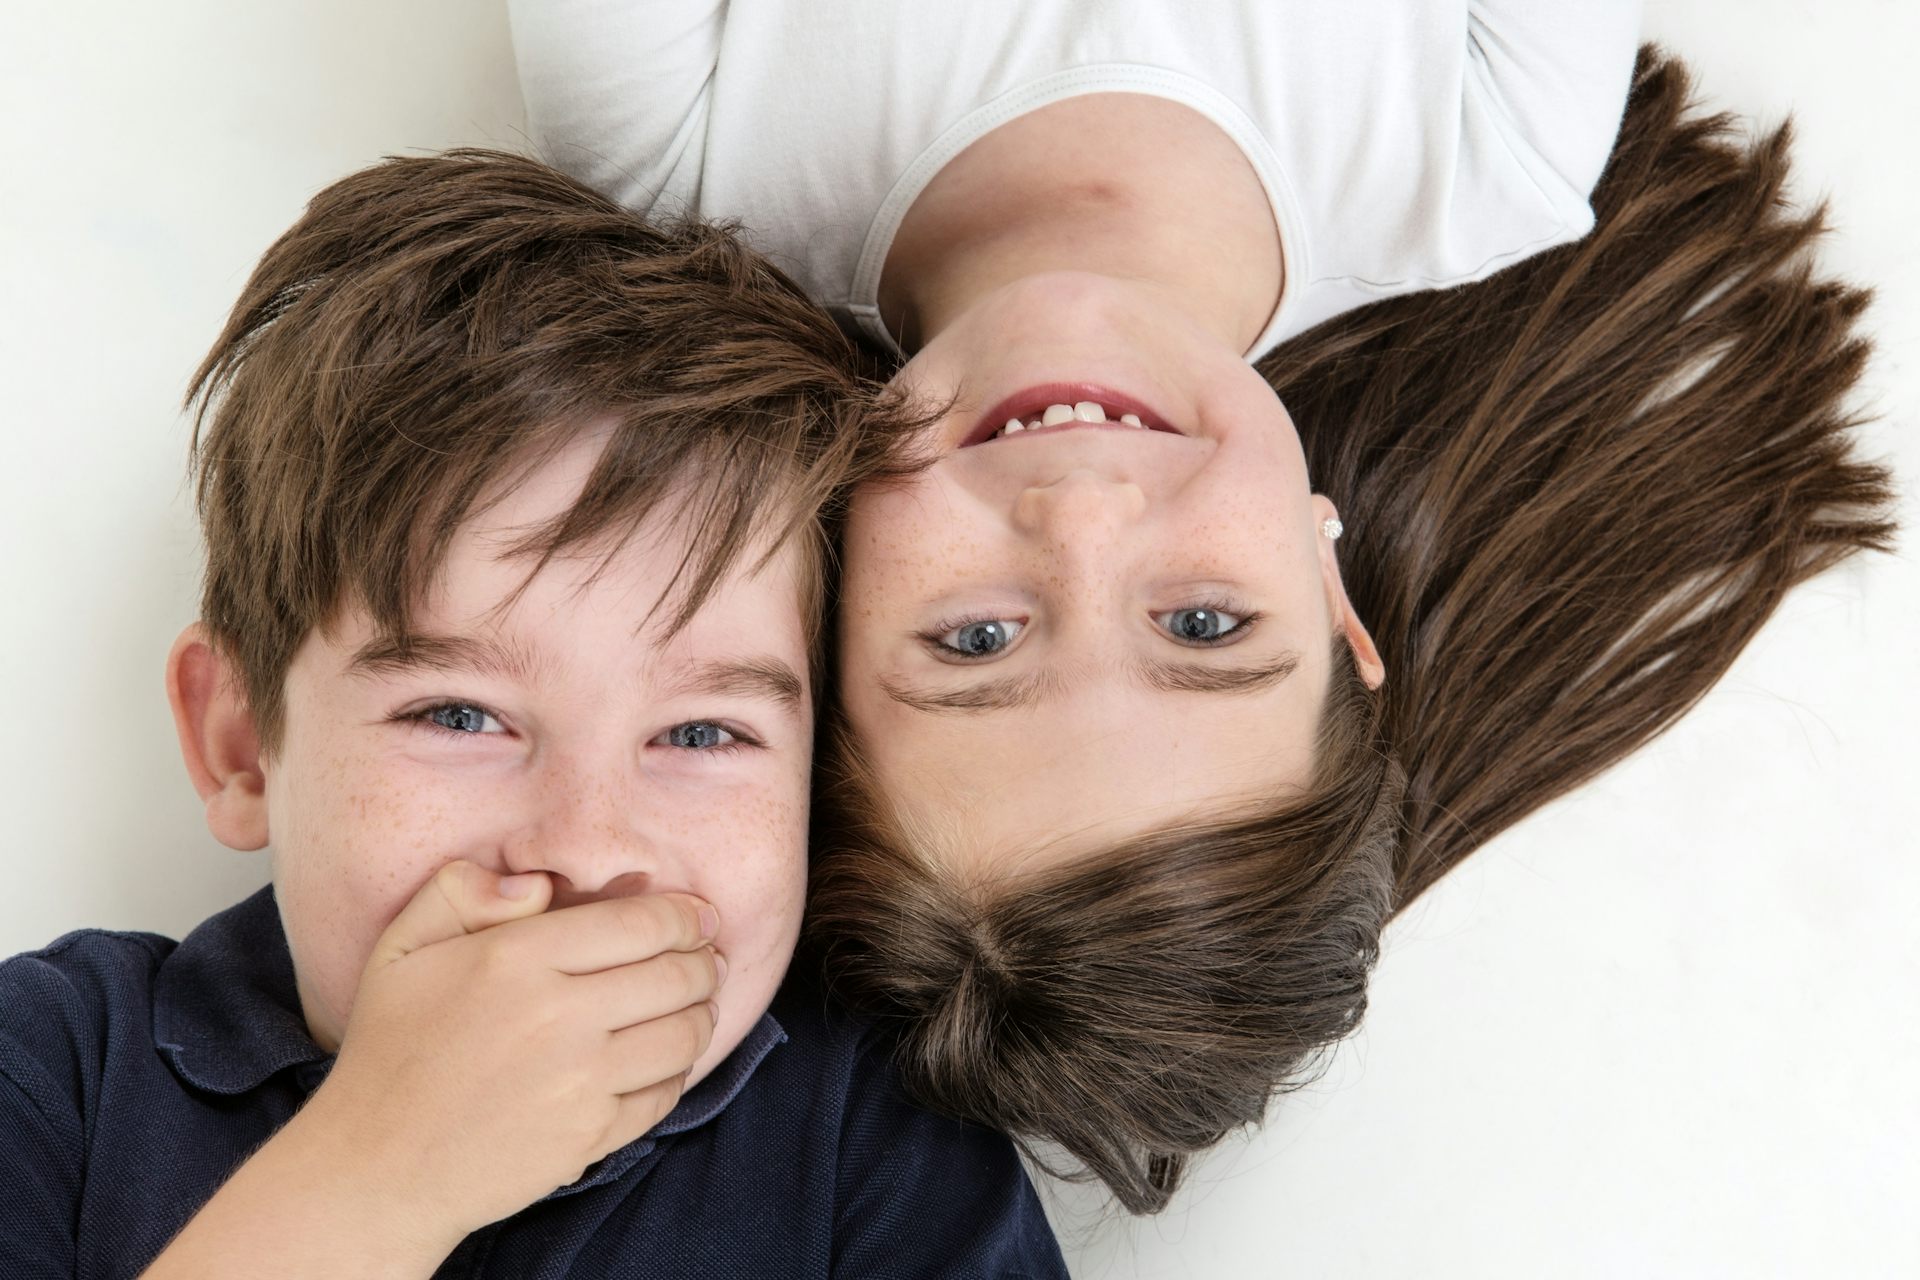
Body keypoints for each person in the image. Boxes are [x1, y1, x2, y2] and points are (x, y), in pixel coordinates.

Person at [513, 6, 1897, 1213]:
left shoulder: (675, 148)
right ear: (1332, 588)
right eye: (1206, 628)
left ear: (822, 610)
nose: (1082, 515)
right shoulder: (1497, 145)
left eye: (977, 641)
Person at [0, 149, 1067, 1278]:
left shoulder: (877, 1128)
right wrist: (380, 1171)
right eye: (459, 714)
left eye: (704, 733)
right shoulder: (52, 1067)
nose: (588, 847)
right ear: (239, 743)